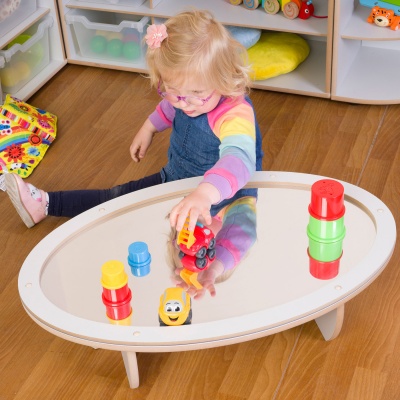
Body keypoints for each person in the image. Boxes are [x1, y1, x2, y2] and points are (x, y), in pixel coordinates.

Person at [5, 9, 263, 237]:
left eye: (197, 93)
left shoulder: (234, 112)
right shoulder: (185, 98)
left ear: (224, 77)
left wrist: (205, 194)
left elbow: (239, 159)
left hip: (221, 204)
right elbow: (170, 107)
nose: (185, 103)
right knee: (115, 197)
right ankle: (46, 203)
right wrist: (149, 127)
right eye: (174, 91)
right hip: (174, 180)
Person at [166, 196, 257, 299]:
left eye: (185, 247)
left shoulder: (192, 206)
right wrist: (215, 268)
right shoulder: (237, 209)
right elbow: (241, 236)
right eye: (205, 253)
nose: (195, 244)